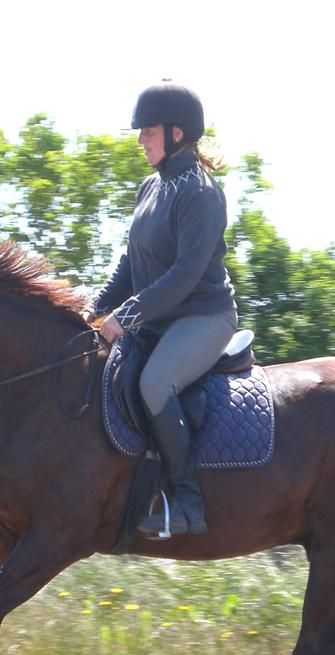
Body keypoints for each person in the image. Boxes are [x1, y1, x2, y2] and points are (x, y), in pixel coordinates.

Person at [86, 81, 238, 537]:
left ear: (177, 133)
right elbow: (131, 265)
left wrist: (126, 316)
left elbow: (183, 278)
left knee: (155, 382)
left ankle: (187, 502)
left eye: (148, 131)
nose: (140, 140)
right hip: (158, 319)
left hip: (204, 318)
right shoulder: (150, 187)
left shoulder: (201, 192)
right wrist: (92, 310)